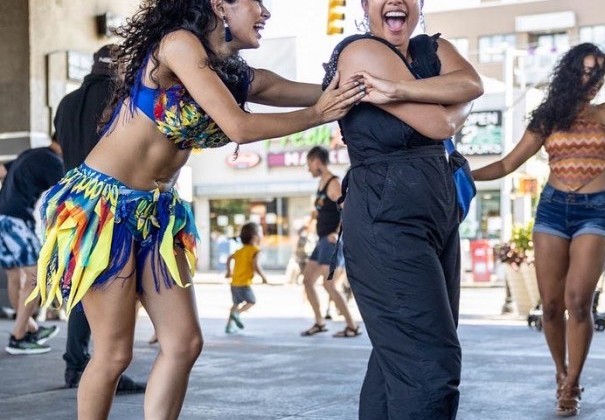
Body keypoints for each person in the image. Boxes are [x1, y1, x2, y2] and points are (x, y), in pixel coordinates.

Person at [28, 1, 364, 418]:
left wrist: (364, 88)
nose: (266, 12)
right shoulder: (178, 45)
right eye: (255, 2)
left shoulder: (235, 74)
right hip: (103, 207)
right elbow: (239, 126)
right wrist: (317, 115)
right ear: (221, 5)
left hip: (158, 212)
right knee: (114, 354)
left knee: (184, 343)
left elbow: (313, 92)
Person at [472, 42, 605, 417]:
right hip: (553, 211)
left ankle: (573, 383)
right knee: (552, 306)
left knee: (577, 301)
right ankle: (560, 371)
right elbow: (508, 163)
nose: (591, 79)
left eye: (598, 73)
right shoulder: (548, 118)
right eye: (585, 70)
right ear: (570, 72)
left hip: (595, 212)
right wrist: (461, 173)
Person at [322, 0, 483, 417]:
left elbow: (473, 83)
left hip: (435, 217)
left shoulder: (432, 48)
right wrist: (454, 100)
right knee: (430, 363)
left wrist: (397, 90)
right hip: (385, 220)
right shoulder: (361, 51)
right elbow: (440, 125)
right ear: (365, 5)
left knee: (398, 358)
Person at [53, 44, 147, 393]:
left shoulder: (66, 104)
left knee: (86, 286)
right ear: (120, 68)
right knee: (107, 288)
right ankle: (95, 366)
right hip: (109, 203)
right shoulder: (119, 100)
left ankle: (78, 362)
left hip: (72, 205)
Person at [0, 137, 64, 355]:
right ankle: (18, 337)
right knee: (37, 277)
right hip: (17, 221)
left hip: (2, 218)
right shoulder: (54, 162)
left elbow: (1, 170)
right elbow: (66, 197)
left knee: (14, 277)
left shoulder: (31, 153)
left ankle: (29, 327)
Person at [299, 146, 360, 338]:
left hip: (331, 241)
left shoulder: (333, 183)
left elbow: (347, 208)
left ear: (317, 161)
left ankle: (352, 326)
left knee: (329, 285)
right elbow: (323, 212)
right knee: (307, 280)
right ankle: (319, 322)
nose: (308, 168)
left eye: (309, 163)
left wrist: (336, 232)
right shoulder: (321, 184)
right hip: (321, 241)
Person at [224, 222, 267, 334]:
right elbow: (256, 265)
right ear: (254, 237)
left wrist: (229, 271)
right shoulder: (255, 251)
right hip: (244, 283)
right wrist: (264, 277)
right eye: (261, 232)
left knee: (235, 303)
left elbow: (229, 258)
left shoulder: (240, 250)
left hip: (234, 283)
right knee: (251, 301)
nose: (262, 235)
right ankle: (237, 314)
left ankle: (229, 326)